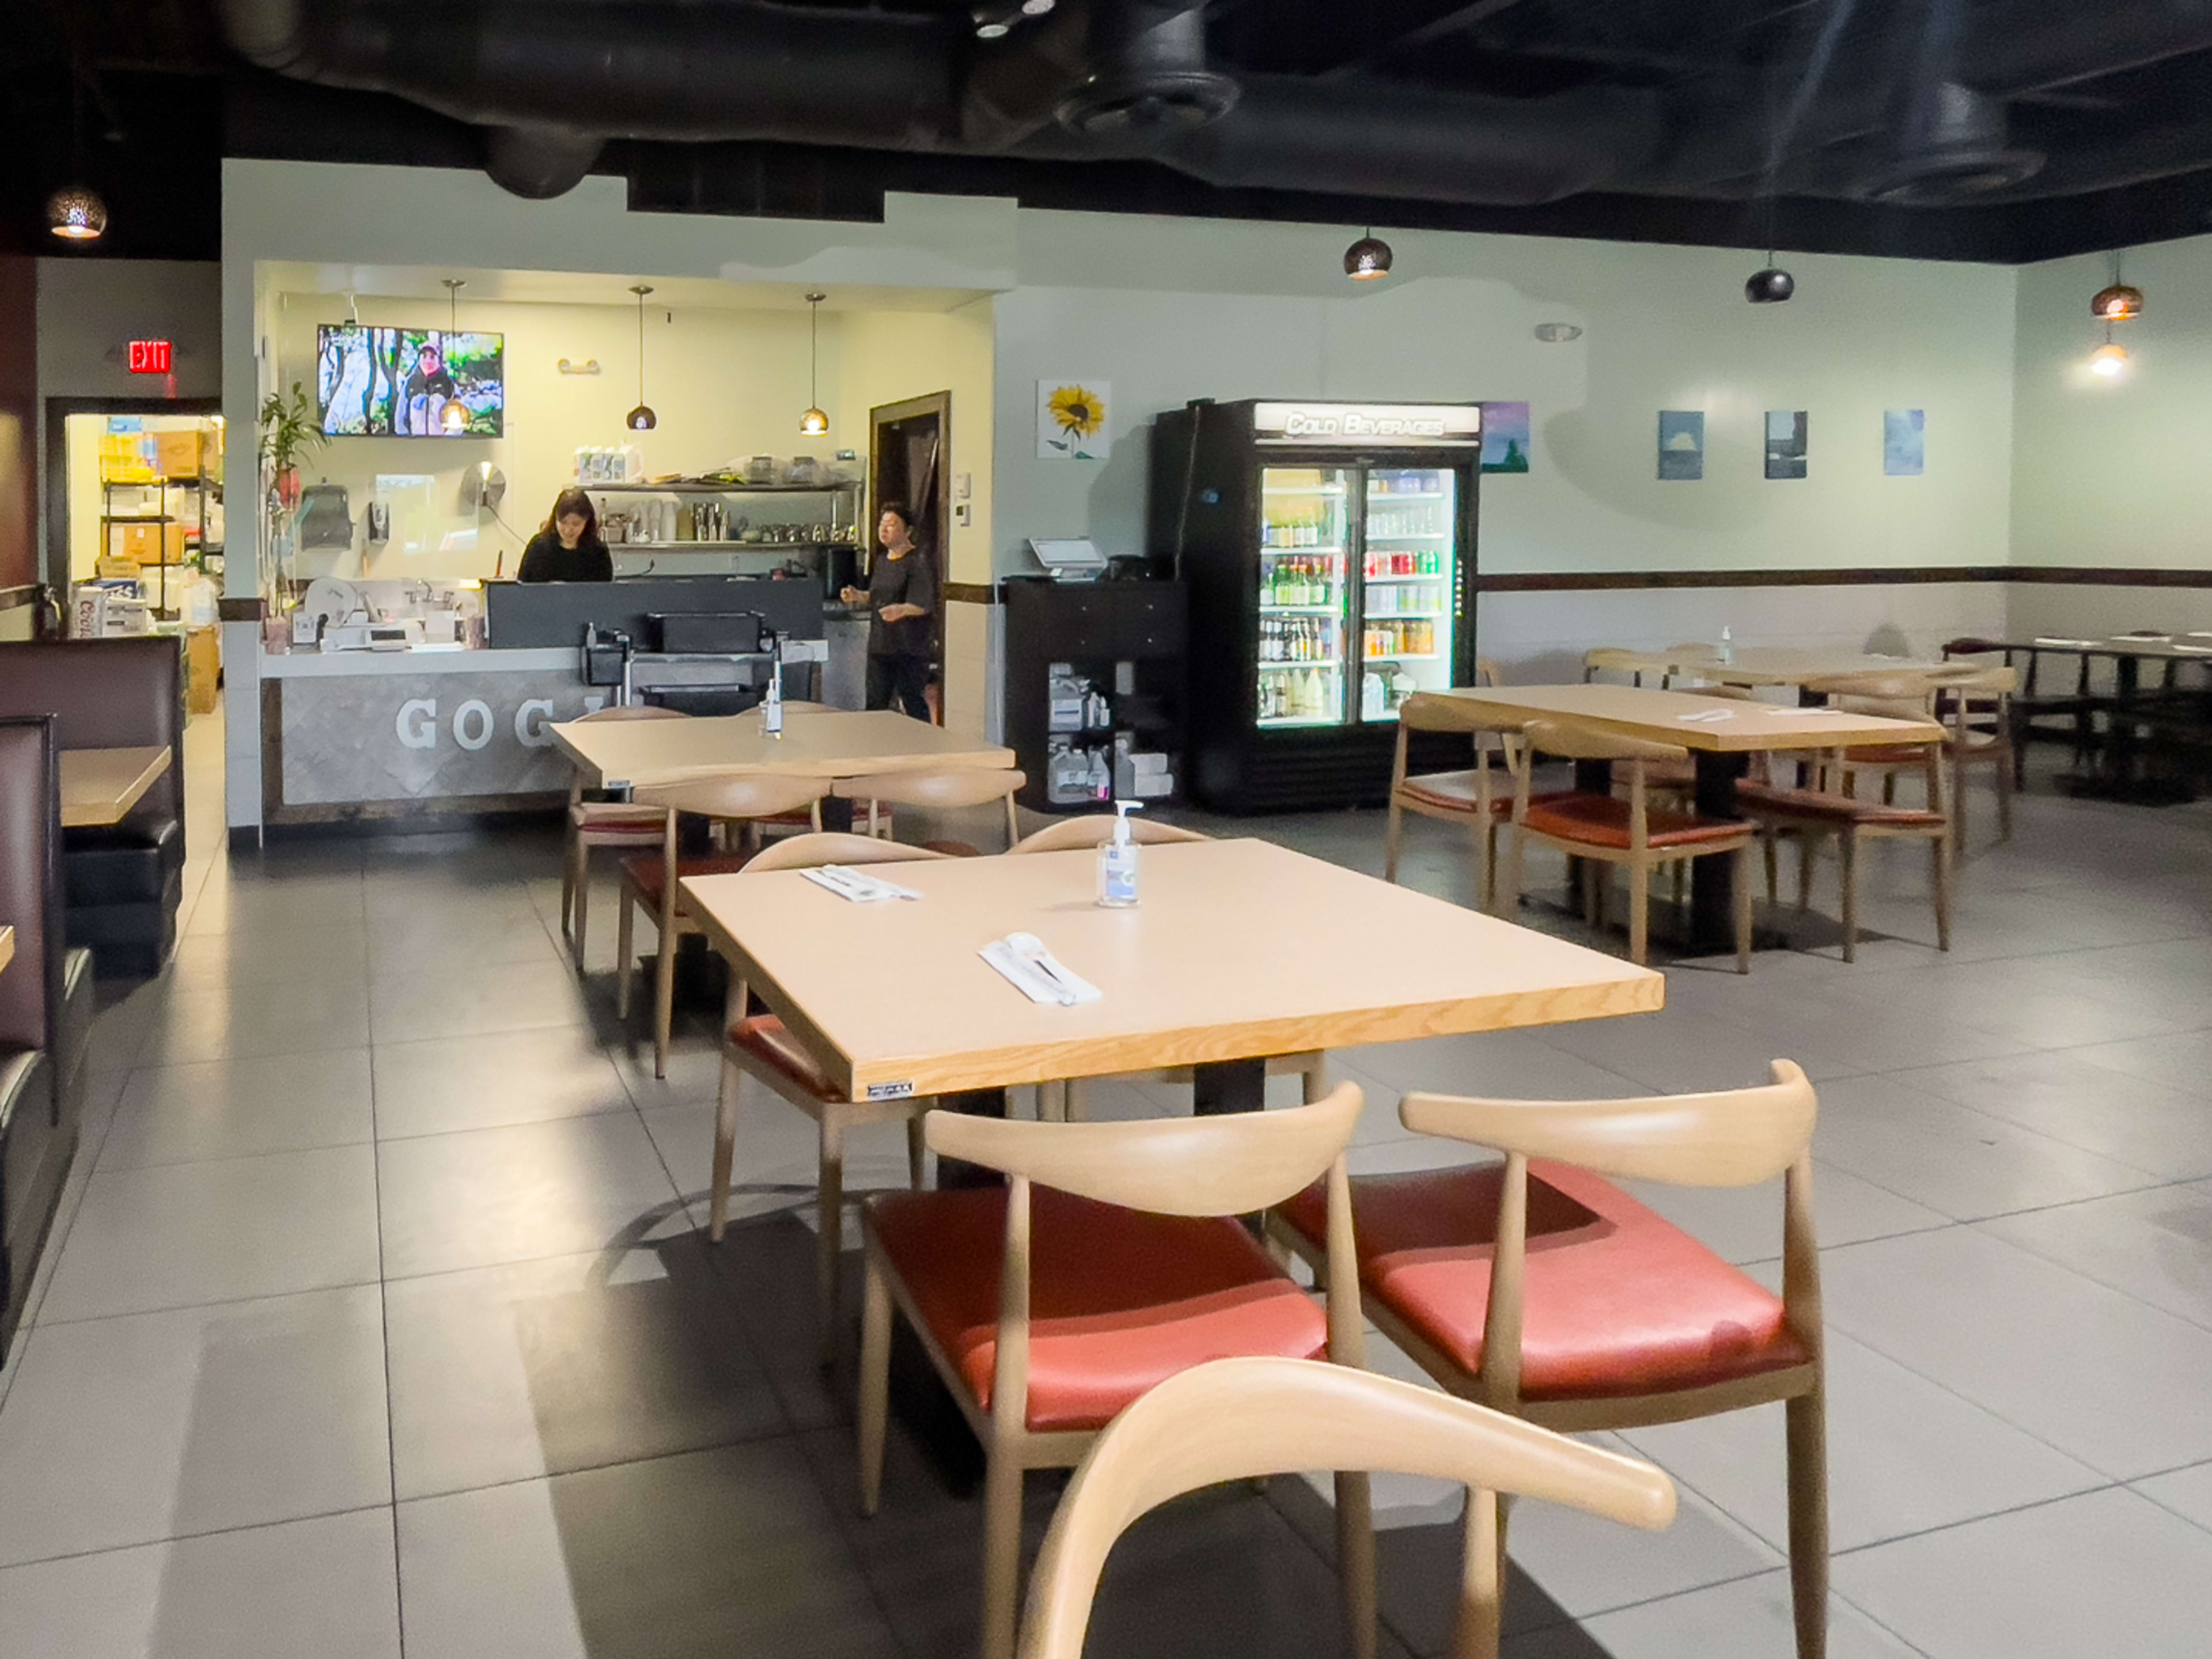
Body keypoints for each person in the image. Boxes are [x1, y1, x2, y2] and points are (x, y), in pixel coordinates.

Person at [842, 501, 936, 719]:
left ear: (908, 531)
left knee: (912, 700)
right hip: (880, 645)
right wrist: (858, 596)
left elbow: (923, 605)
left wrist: (901, 610)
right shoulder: (883, 560)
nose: (884, 530)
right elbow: (876, 597)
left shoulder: (917, 563)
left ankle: (923, 746)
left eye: (892, 525)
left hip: (908, 649)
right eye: (882, 524)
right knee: (876, 704)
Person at [517, 487, 614, 582]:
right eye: (563, 522)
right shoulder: (538, 548)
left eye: (576, 524)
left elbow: (605, 593)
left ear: (587, 521)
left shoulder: (598, 553)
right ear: (555, 518)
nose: (568, 530)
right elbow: (523, 588)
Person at [401, 340, 459, 435]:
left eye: (432, 357)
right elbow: (400, 419)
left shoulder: (449, 385)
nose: (428, 361)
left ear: (439, 360)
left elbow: (459, 420)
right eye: (424, 356)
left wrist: (448, 441)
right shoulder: (410, 384)